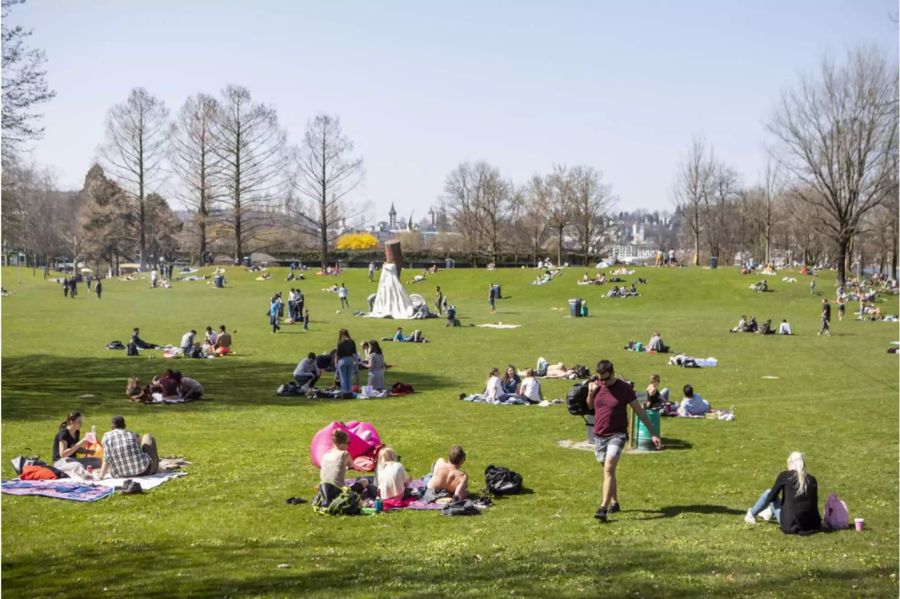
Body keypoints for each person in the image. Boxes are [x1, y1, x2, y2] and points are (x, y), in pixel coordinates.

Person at [587, 360, 662, 522]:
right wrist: (591, 393)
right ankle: (614, 502)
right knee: (609, 472)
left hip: (618, 434)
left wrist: (653, 433)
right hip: (599, 435)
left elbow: (640, 412)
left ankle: (603, 508)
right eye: (601, 379)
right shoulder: (597, 385)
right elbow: (591, 407)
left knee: (609, 468)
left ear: (613, 373)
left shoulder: (624, 389)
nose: (604, 382)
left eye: (606, 379)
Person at [744, 451, 821, 535]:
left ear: (790, 464)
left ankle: (751, 514)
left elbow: (771, 497)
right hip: (812, 525)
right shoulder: (812, 479)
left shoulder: (785, 475)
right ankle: (768, 512)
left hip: (791, 525)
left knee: (768, 492)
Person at [319, 429, 353, 506]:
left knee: (346, 480)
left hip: (323, 487)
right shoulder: (345, 454)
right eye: (348, 443)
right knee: (364, 481)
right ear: (343, 443)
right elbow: (352, 466)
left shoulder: (325, 455)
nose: (348, 445)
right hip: (338, 490)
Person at [335, 329, 357, 395]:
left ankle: (345, 392)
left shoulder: (340, 342)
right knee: (349, 377)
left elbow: (337, 354)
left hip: (342, 360)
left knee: (343, 377)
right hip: (350, 359)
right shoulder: (352, 341)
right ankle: (350, 391)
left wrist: (336, 362)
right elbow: (354, 352)